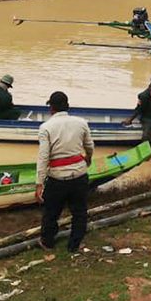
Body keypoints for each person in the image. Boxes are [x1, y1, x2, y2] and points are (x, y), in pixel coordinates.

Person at [36, 91, 94, 253]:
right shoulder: (81, 123)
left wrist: (39, 183)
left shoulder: (45, 127)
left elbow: (43, 158)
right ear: (67, 106)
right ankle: (74, 245)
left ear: (51, 108)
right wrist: (88, 158)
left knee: (51, 213)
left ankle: (47, 243)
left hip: (57, 178)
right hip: (79, 175)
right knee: (80, 212)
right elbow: (89, 145)